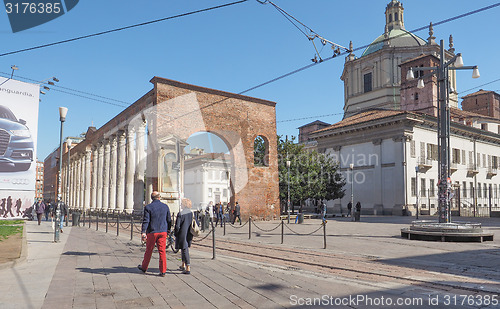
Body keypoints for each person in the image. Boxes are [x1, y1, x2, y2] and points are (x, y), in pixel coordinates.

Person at [138, 191, 172, 277]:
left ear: (151, 198)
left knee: (149, 250)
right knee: (162, 251)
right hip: (163, 231)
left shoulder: (148, 207)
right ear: (159, 197)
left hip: (152, 232)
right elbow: (169, 220)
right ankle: (163, 271)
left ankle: (144, 267)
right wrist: (168, 229)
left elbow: (146, 221)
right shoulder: (165, 206)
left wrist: (143, 232)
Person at [175, 198, 197, 275]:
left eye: (182, 203)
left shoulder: (180, 214)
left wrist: (175, 233)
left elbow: (177, 226)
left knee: (184, 249)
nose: (181, 205)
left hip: (182, 233)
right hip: (189, 233)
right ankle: (183, 264)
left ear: (184, 204)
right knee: (184, 248)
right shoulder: (191, 213)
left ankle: (188, 267)